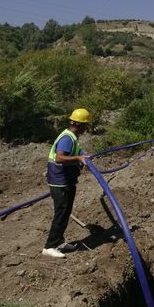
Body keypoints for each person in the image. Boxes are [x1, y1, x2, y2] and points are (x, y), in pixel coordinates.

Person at [42, 108, 90, 258]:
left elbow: (78, 150)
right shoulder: (67, 138)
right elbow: (59, 158)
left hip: (66, 181)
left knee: (66, 212)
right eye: (86, 125)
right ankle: (49, 247)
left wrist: (82, 155)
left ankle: (59, 242)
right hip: (60, 182)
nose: (87, 128)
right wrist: (78, 159)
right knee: (61, 214)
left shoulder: (72, 137)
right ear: (81, 125)